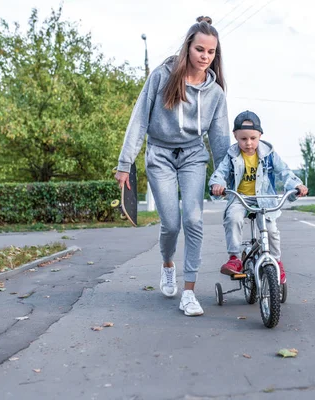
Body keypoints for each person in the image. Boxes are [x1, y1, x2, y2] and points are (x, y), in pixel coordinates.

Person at [115, 16, 230, 317]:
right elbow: (139, 118)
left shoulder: (215, 93)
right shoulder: (163, 76)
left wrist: (225, 176)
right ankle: (168, 265)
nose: (205, 57)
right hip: (160, 154)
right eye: (200, 50)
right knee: (171, 224)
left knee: (193, 219)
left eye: (211, 52)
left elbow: (219, 139)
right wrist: (124, 163)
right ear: (188, 47)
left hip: (194, 155)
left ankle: (189, 292)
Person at [209, 110, 308, 284]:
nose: (248, 143)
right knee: (233, 218)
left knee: (271, 231)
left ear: (260, 135)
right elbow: (220, 173)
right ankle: (235, 258)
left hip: (264, 199)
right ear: (235, 136)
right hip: (240, 198)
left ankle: (276, 261)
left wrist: (296, 185)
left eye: (253, 138)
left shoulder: (269, 154)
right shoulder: (232, 155)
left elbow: (284, 171)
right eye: (243, 139)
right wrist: (217, 185)